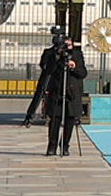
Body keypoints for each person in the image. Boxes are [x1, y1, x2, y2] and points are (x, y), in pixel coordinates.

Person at [34, 26, 87, 157]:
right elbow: (46, 69)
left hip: (72, 92)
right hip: (56, 91)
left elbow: (83, 73)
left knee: (70, 120)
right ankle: (52, 146)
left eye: (68, 44)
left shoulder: (76, 54)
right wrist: (56, 57)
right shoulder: (49, 54)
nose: (66, 47)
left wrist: (73, 66)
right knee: (55, 120)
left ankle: (65, 146)